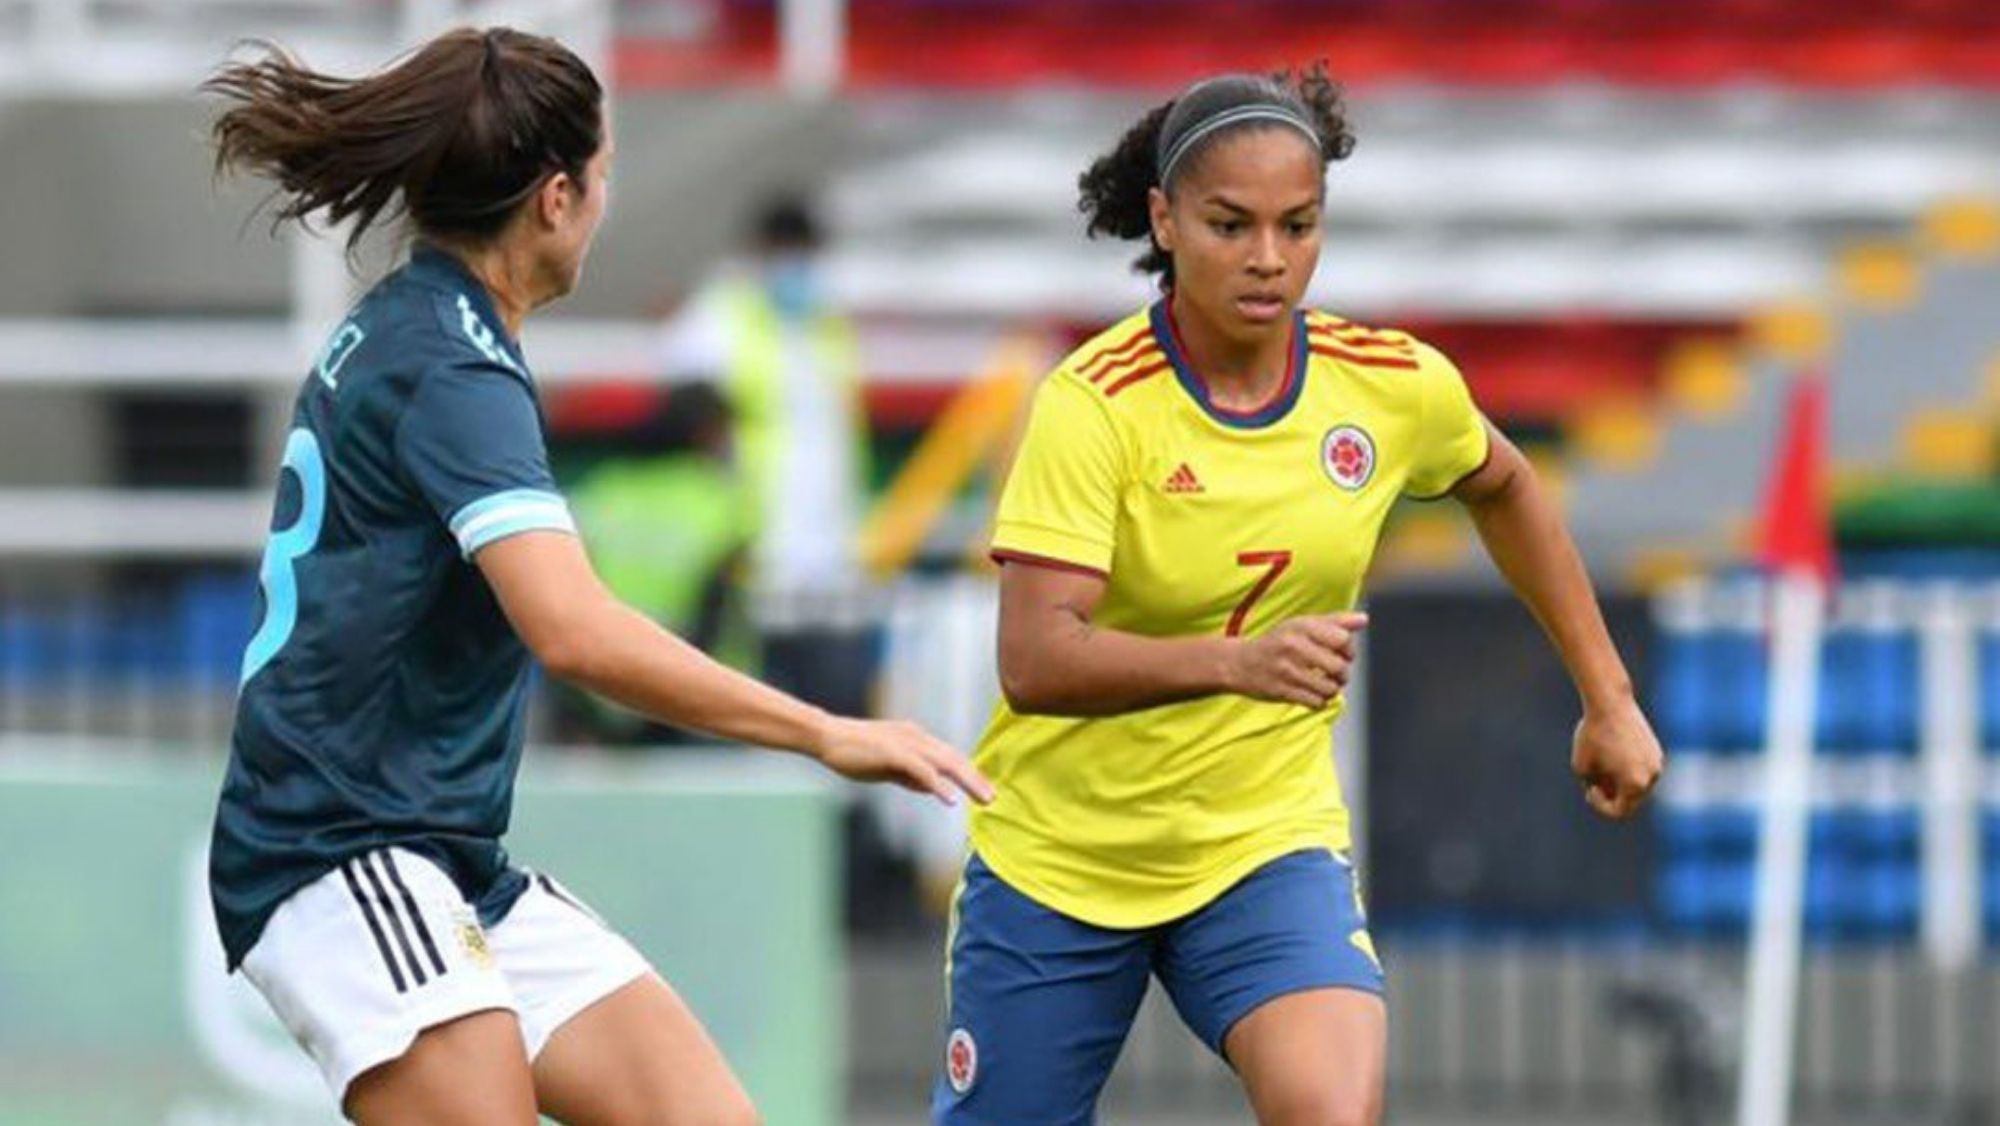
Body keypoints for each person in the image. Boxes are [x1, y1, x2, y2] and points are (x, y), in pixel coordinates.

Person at [201, 28, 990, 1126]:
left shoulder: (432, 326)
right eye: (606, 174)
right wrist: (826, 730)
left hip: (451, 859)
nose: (606, 203)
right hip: (336, 852)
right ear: (556, 198)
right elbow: (572, 632)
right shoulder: (451, 365)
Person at [934, 68, 1662, 1125]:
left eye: (1297, 224)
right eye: (1229, 224)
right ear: (1163, 219)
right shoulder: (1093, 406)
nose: (1268, 258)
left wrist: (1607, 697)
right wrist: (1235, 662)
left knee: (1329, 1110)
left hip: (1258, 845)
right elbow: (1036, 661)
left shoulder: (1388, 385)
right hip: (1059, 860)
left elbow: (1503, 483)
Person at [657, 195, 874, 717]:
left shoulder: (827, 324)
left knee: (830, 706)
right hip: (750, 546)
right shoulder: (722, 316)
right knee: (751, 707)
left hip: (828, 555)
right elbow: (683, 398)